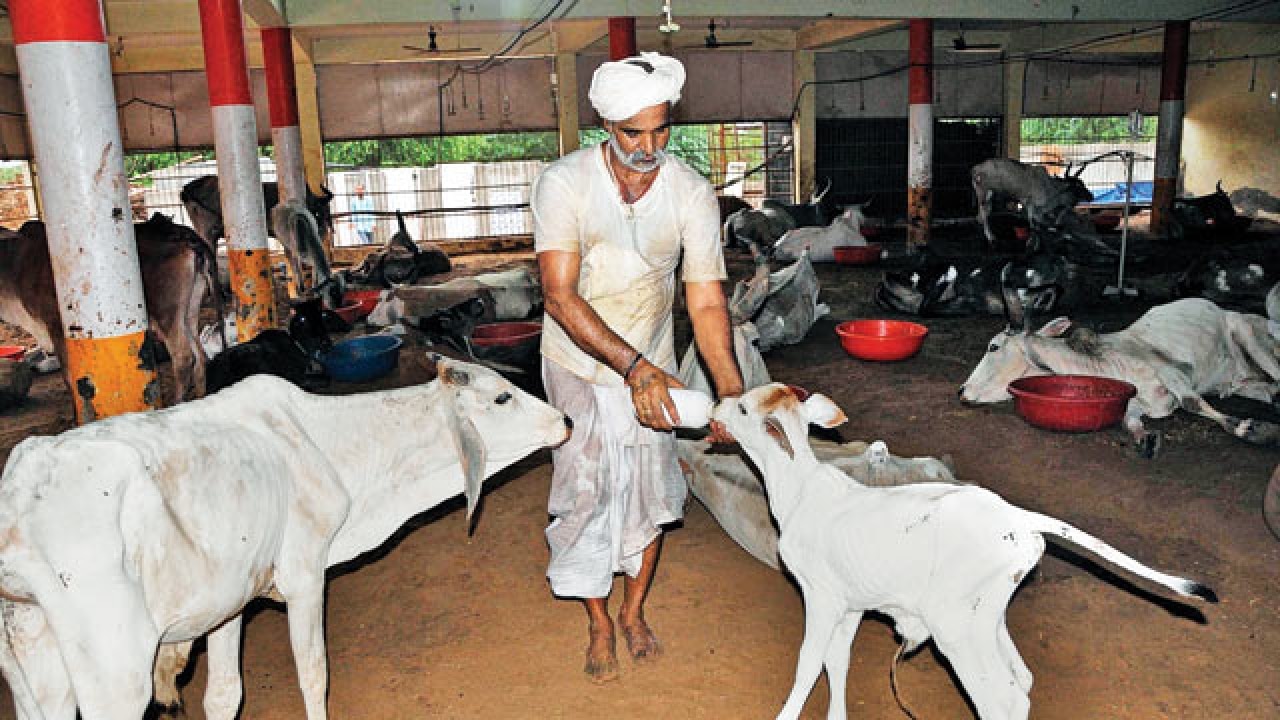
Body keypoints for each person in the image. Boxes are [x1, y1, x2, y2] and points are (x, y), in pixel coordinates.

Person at [530, 52, 744, 684]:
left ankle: (632, 611)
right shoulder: (564, 184)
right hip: (576, 363)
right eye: (633, 133)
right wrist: (635, 369)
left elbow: (704, 299)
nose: (650, 146)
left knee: (650, 493)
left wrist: (730, 392)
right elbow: (559, 296)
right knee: (588, 490)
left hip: (654, 362)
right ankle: (597, 621)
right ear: (606, 127)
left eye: (661, 129)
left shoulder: (690, 193)